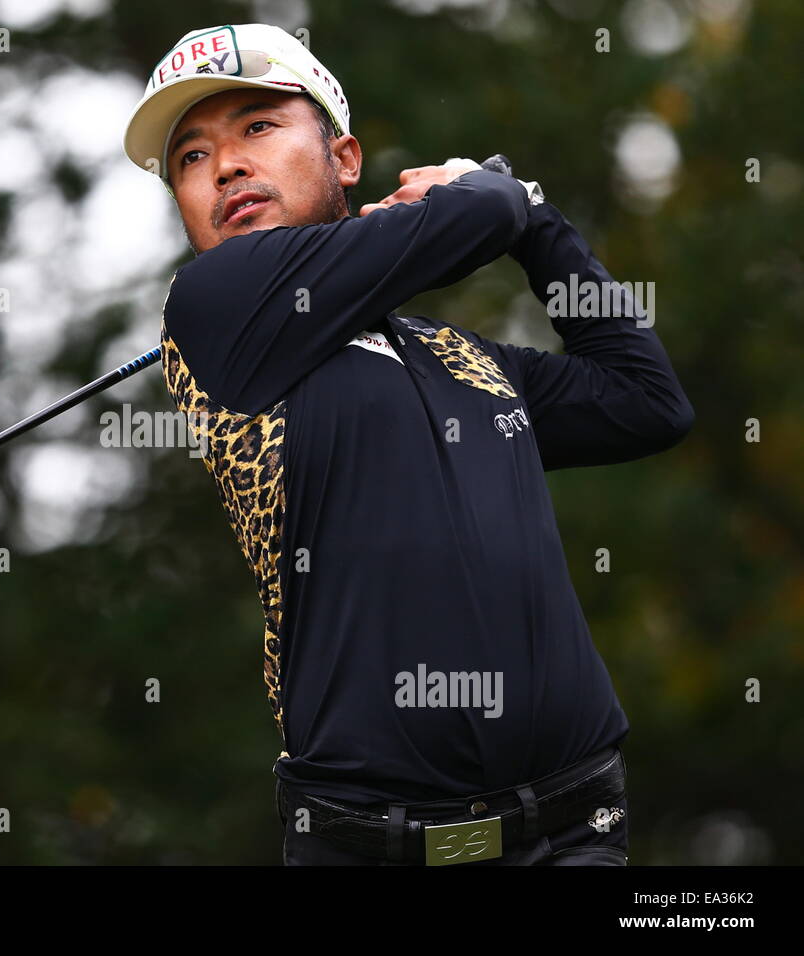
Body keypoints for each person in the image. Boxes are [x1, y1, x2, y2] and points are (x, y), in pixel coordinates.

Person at [122, 23, 695, 866]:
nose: (227, 166)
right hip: (373, 848)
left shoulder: (458, 357)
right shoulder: (215, 308)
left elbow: (646, 401)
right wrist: (498, 198)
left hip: (574, 831)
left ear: (345, 159)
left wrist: (540, 224)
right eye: (191, 159)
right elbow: (484, 211)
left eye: (257, 127)